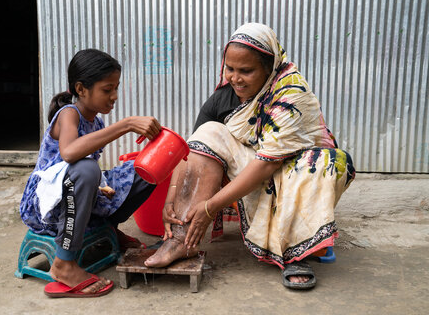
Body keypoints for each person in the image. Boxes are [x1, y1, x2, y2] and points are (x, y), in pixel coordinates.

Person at [144, 23, 355, 290]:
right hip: (252, 169)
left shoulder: (290, 95)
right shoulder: (222, 97)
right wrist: (172, 197)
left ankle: (295, 253)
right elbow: (191, 148)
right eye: (230, 68)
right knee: (209, 131)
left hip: (291, 172)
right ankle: (179, 240)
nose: (235, 78)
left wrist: (210, 207)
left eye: (246, 71)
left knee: (325, 163)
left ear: (270, 68)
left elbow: (269, 164)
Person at [19, 49, 162, 297]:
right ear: (81, 89)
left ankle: (107, 227)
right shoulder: (68, 114)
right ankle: (64, 263)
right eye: (107, 90)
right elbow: (70, 153)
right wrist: (126, 125)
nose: (114, 96)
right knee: (87, 169)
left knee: (148, 165)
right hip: (45, 205)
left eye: (116, 88)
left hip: (75, 193)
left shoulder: (96, 121)